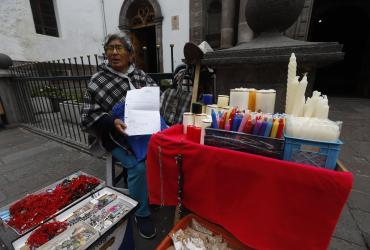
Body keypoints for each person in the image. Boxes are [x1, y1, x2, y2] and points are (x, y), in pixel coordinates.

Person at [81, 32, 157, 239]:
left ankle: (154, 194)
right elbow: (88, 115)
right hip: (115, 137)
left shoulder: (140, 76)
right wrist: (111, 121)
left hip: (142, 134)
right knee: (139, 167)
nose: (114, 53)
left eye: (119, 48)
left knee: (164, 152)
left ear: (130, 54)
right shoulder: (98, 80)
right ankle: (141, 213)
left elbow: (155, 99)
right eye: (110, 48)